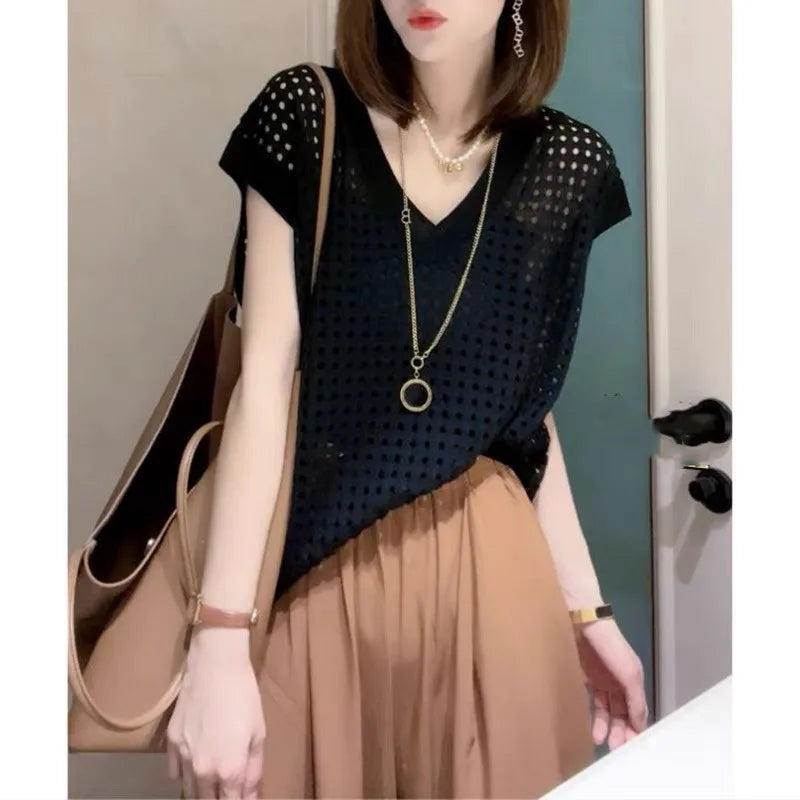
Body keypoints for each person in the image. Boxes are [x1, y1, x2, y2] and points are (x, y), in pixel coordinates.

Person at [166, 0, 647, 797]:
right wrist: (218, 636)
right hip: (319, 594)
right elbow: (264, 384)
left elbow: (523, 420)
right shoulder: (307, 118)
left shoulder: (567, 164)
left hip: (495, 593)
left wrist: (586, 611)